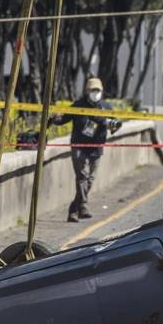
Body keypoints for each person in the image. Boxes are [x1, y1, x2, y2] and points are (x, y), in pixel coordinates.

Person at [53, 77, 122, 222]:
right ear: (87, 91)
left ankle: (74, 208)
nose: (95, 93)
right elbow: (64, 119)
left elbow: (114, 126)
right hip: (79, 146)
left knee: (90, 179)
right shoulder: (78, 105)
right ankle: (83, 206)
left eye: (98, 90)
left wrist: (114, 125)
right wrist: (54, 118)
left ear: (102, 92)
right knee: (82, 176)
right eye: (93, 90)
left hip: (96, 148)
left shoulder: (106, 107)